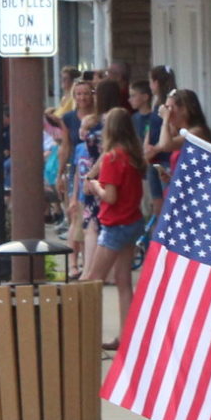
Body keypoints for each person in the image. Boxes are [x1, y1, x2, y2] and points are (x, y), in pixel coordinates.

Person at [87, 108, 145, 352]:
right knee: (123, 281)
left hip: (115, 224)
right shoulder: (132, 156)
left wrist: (95, 186)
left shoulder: (112, 158)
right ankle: (127, 336)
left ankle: (85, 333)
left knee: (91, 281)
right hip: (132, 221)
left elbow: (110, 197)